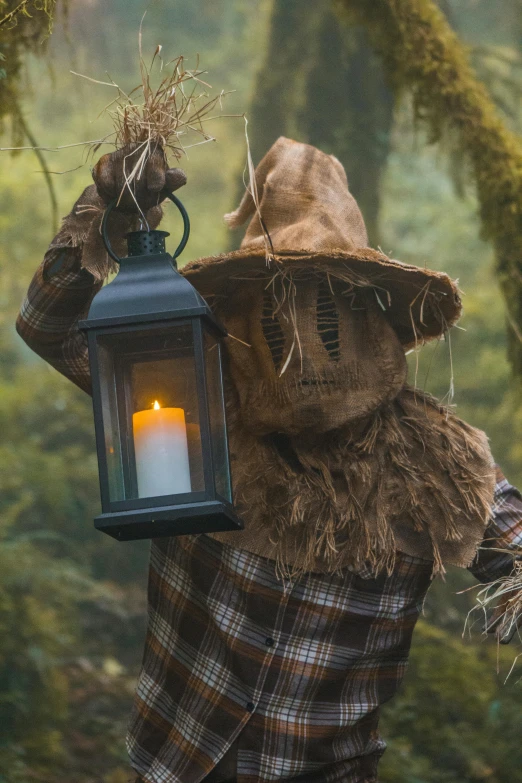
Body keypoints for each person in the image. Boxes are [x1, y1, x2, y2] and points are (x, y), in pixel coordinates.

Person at [17, 138, 522, 783]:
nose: (307, 333)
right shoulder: (194, 401)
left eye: (331, 300)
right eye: (277, 300)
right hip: (178, 760)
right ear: (240, 314)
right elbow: (48, 325)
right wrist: (111, 213)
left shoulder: (437, 462)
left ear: (377, 312)